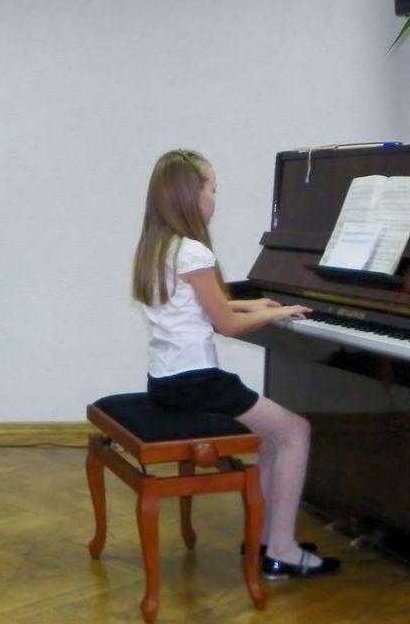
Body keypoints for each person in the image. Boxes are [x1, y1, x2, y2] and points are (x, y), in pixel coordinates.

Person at [132, 150, 340, 579]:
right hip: (199, 381)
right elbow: (224, 324)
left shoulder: (159, 246)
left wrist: (253, 304)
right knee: (296, 431)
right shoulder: (194, 252)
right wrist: (276, 315)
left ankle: (261, 538)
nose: (215, 198)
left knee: (272, 435)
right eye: (212, 189)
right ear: (192, 195)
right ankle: (281, 550)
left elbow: (200, 307)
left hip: (167, 380)